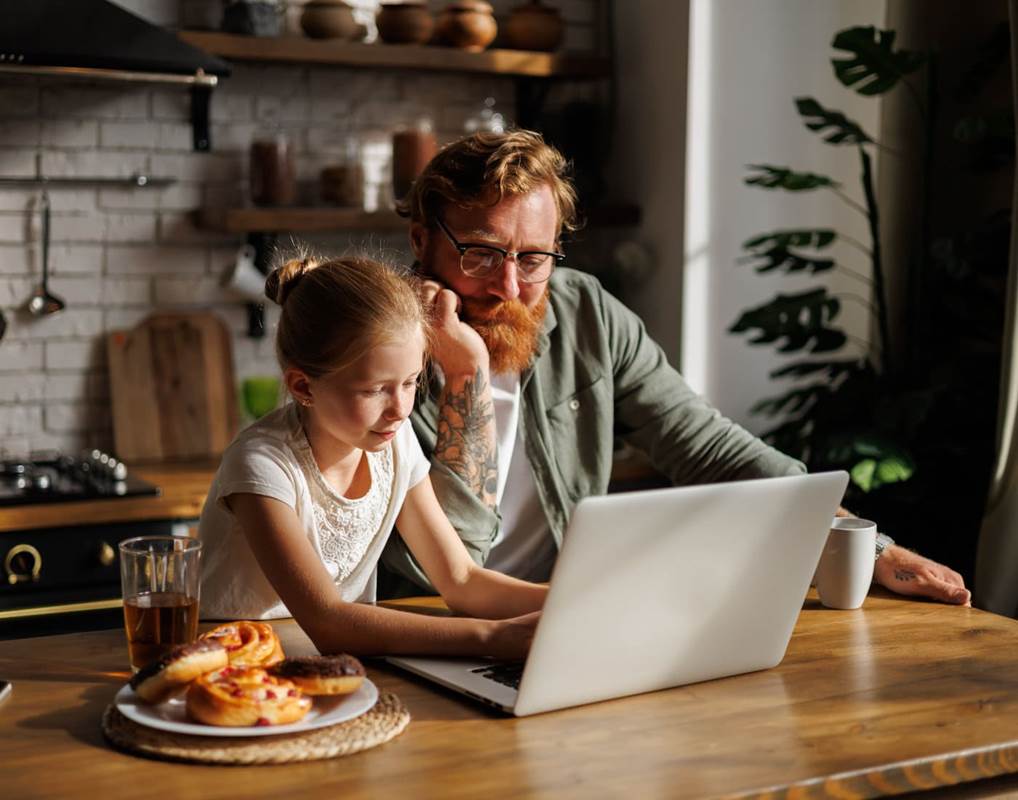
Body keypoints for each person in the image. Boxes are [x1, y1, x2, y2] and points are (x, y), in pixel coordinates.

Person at [379, 129, 971, 606]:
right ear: (421, 240)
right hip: (429, 632)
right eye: (480, 253)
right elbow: (445, 572)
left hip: (561, 616)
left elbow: (711, 449)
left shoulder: (586, 311)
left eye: (533, 258)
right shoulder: (372, 349)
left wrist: (871, 548)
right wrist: (467, 377)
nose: (508, 286)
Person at [198, 255, 545, 658]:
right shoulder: (262, 465)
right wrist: (493, 638)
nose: (401, 409)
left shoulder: (394, 443)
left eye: (411, 382)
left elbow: (461, 579)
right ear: (303, 386)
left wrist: (569, 602)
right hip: (234, 670)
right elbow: (329, 621)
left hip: (336, 670)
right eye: (374, 389)